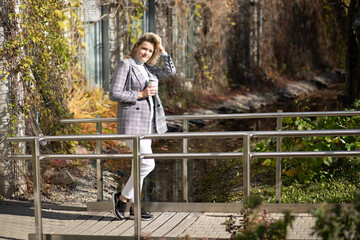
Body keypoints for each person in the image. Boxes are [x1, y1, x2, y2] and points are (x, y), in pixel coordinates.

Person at [109, 32, 176, 220]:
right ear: (136, 47)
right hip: (132, 124)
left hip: (147, 125)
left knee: (140, 165)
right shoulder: (126, 65)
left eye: (150, 50)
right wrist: (141, 94)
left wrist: (162, 51)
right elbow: (114, 93)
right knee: (147, 163)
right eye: (144, 48)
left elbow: (170, 72)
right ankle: (121, 200)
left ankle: (134, 207)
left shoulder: (148, 69)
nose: (146, 53)